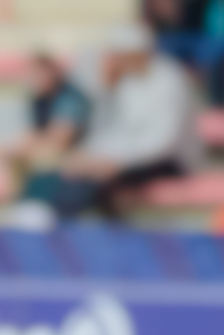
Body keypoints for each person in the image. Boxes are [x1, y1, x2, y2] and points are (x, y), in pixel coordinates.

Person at [49, 26, 202, 221]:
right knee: (71, 178)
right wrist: (91, 157)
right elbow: (111, 132)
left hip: (171, 160)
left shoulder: (170, 79)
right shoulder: (125, 81)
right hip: (130, 159)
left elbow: (164, 141)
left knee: (106, 186)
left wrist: (114, 162)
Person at [1, 51, 92, 208]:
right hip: (53, 152)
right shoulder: (39, 99)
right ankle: (23, 203)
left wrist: (27, 145)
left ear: (52, 75)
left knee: (38, 159)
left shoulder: (68, 99)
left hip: (76, 155)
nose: (33, 81)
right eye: (32, 76)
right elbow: (34, 134)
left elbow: (60, 140)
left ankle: (34, 203)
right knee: (11, 154)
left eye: (38, 75)